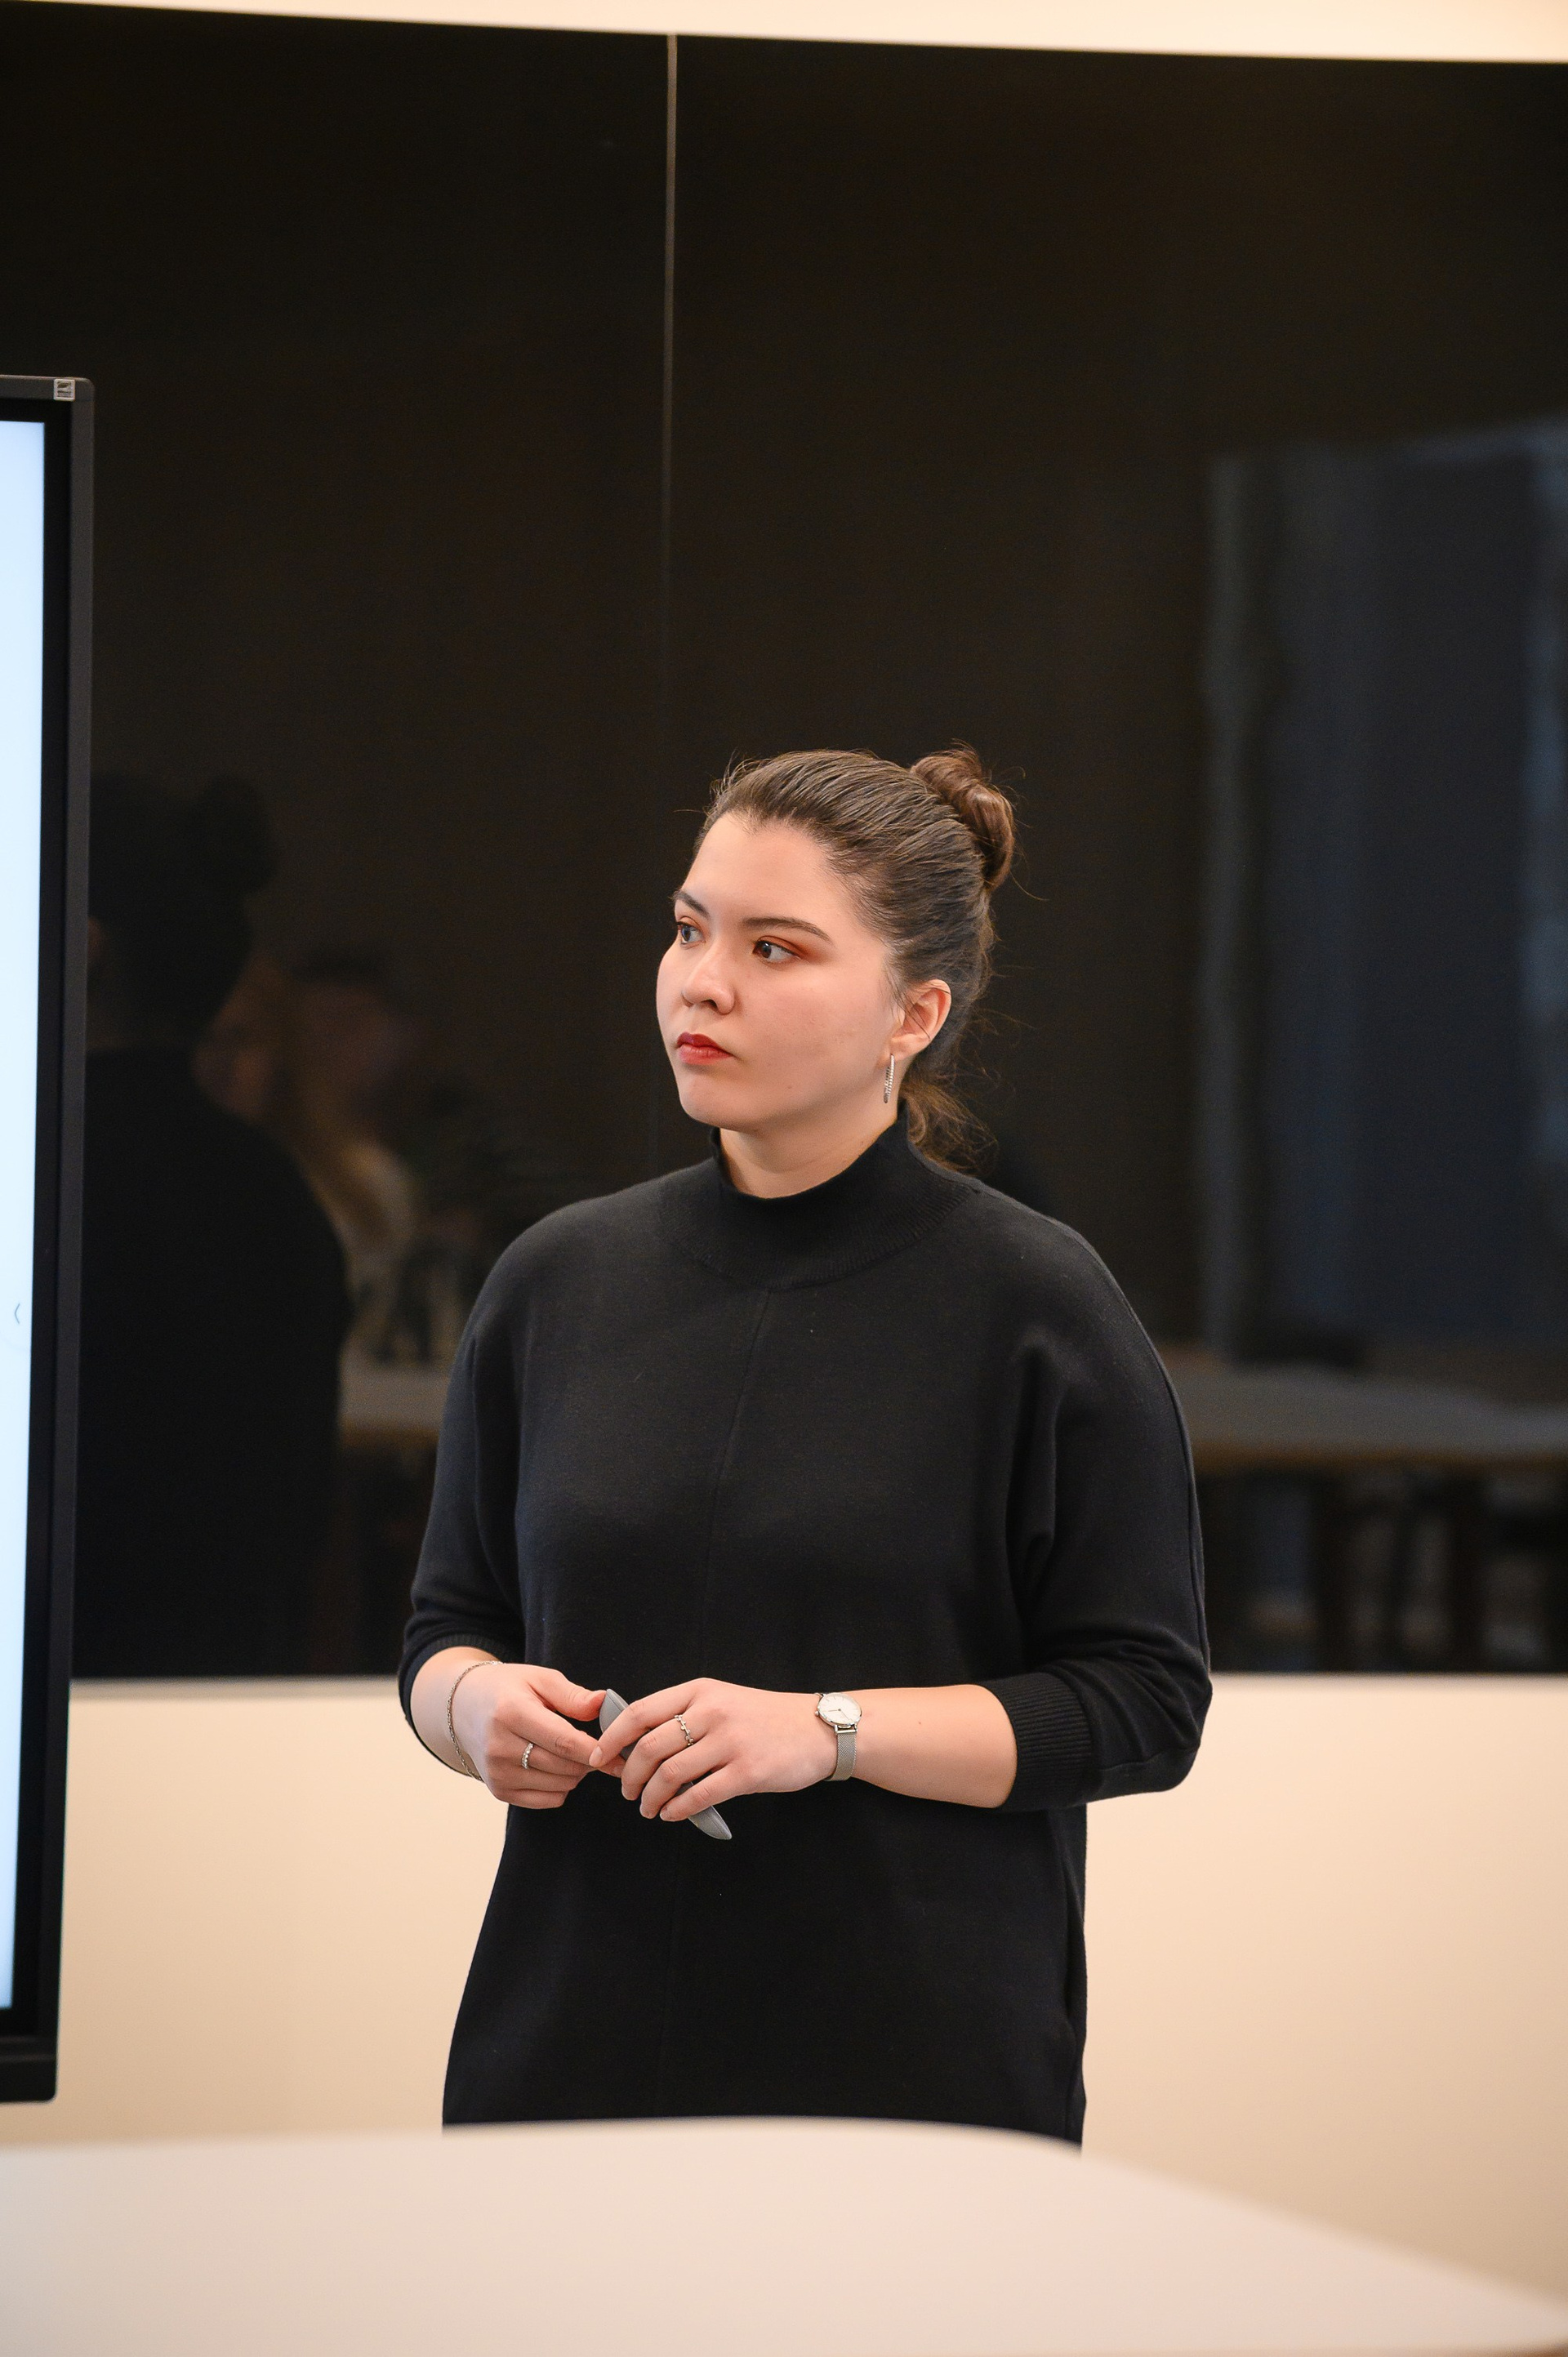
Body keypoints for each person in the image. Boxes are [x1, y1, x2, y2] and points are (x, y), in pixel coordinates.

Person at [400, 747, 1209, 2137]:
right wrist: (474, 1710)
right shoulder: (557, 1279)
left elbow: (1144, 1703)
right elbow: (445, 1627)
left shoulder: (1033, 1302)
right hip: (569, 2045)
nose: (702, 983)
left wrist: (826, 1733)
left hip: (905, 2070)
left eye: (773, 948)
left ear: (914, 1012)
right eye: (689, 929)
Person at [75, 777, 351, 1677]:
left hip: (60, 1685)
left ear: (82, 950)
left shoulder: (51, 1175)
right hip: (228, 1696)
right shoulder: (274, 1192)